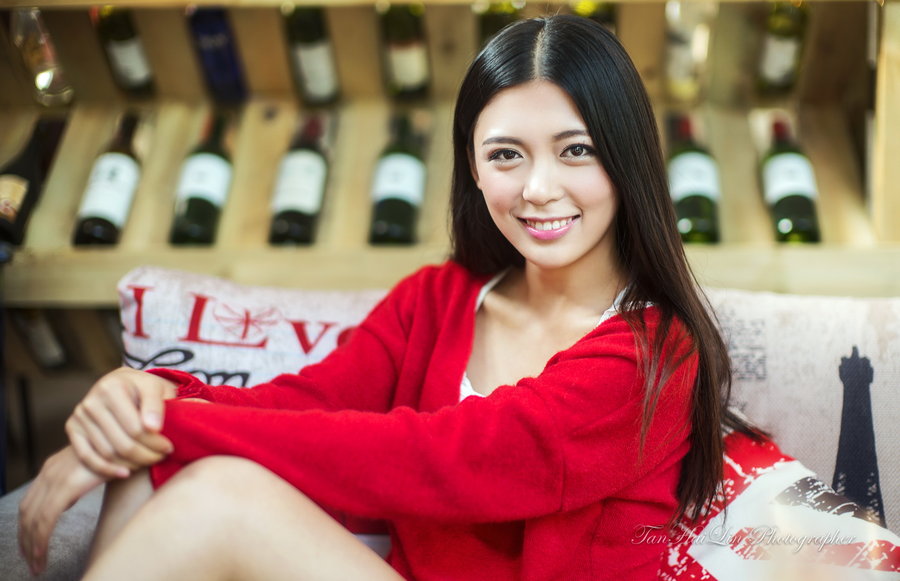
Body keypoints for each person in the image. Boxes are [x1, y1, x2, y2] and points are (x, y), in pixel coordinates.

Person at [19, 15, 755, 580]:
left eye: (576, 150)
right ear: (472, 168)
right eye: (506, 154)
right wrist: (150, 397)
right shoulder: (440, 298)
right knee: (145, 455)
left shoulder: (653, 353)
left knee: (220, 490)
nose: (538, 188)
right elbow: (310, 403)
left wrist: (177, 424)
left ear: (626, 159)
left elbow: (440, 461)